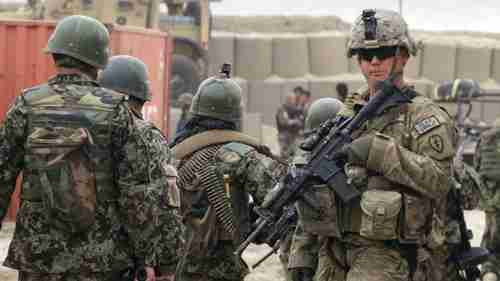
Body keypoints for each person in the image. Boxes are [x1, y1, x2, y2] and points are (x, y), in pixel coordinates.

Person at [291, 9, 456, 281]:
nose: (374, 62)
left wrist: (378, 152)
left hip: (388, 254)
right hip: (333, 249)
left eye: (384, 52)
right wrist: (302, 251)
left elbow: (440, 181)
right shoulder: (347, 112)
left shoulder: (424, 116)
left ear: (402, 55)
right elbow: (314, 184)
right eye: (366, 56)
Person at [0, 15, 158, 281]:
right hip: (101, 259)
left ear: (55, 54)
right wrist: (153, 256)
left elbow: (2, 174)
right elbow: (138, 191)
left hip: (38, 257)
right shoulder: (117, 109)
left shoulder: (27, 104)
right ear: (99, 60)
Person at [171, 67, 287, 281]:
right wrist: (254, 224)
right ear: (234, 116)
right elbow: (277, 203)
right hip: (222, 269)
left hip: (178, 266)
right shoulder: (242, 156)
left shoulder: (176, 155)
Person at [98, 55, 184, 281]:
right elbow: (160, 205)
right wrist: (163, 266)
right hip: (120, 261)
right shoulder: (145, 135)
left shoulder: (83, 125)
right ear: (142, 96)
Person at [287, 97, 345, 281]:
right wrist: (300, 258)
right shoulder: (305, 164)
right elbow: (302, 221)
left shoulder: (355, 160)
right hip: (320, 247)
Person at [474, 117, 500, 281]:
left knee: (492, 246)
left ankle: (489, 275)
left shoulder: (485, 138)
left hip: (492, 201)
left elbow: (477, 169)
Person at [276, 93, 304, 160]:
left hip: (293, 136)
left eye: (294, 99)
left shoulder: (294, 109)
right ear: (288, 100)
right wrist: (294, 122)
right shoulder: (282, 109)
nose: (294, 101)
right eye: (292, 99)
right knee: (284, 156)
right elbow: (283, 122)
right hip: (284, 135)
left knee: (293, 156)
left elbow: (300, 120)